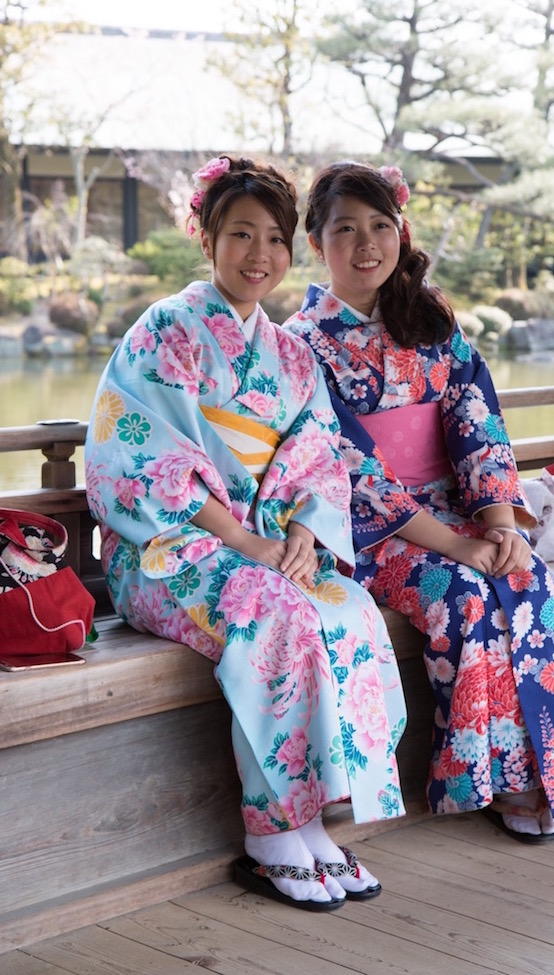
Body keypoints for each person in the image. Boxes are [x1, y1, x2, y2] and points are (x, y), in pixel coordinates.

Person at [84, 154, 407, 912]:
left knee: (348, 606)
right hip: (169, 549)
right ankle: (271, 832)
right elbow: (138, 454)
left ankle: (319, 816)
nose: (258, 255)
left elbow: (319, 454)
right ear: (207, 238)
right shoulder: (166, 329)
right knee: (278, 611)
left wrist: (300, 531)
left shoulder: (292, 354)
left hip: (262, 541)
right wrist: (247, 541)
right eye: (239, 234)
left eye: (273, 238)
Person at [283, 159, 554, 844]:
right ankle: (499, 780)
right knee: (466, 598)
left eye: (379, 226)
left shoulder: (431, 321)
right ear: (316, 243)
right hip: (373, 533)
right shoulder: (302, 345)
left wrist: (497, 521)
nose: (366, 244)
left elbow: (474, 419)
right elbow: (347, 465)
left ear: (400, 231)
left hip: (461, 513)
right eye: (345, 229)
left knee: (537, 587)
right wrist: (456, 544)